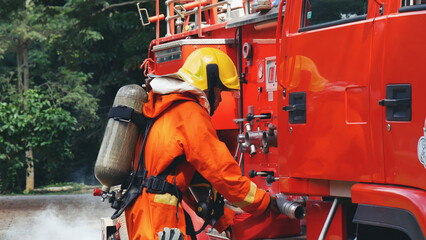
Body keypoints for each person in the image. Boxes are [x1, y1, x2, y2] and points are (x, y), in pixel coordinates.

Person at [125, 47, 276, 240]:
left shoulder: (166, 107)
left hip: (142, 210)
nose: (220, 99)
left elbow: (182, 182)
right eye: (220, 91)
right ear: (209, 83)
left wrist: (223, 221)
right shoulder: (190, 114)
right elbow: (222, 173)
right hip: (160, 220)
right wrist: (264, 202)